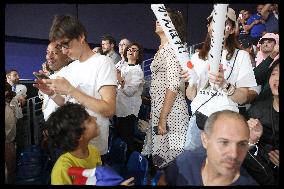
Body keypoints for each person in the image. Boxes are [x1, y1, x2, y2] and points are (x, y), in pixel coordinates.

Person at [34, 15, 116, 156]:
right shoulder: (72, 67)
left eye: (66, 44)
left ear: (81, 37)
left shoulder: (103, 63)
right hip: (71, 144)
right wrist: (52, 94)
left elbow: (109, 109)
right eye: (61, 46)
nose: (64, 51)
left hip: (91, 148)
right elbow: (66, 102)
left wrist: (71, 90)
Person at [182, 7, 257, 151]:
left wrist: (224, 84)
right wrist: (191, 81)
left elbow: (242, 98)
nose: (218, 26)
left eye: (225, 23)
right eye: (214, 22)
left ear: (232, 29)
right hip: (197, 121)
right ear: (208, 26)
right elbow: (191, 96)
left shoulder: (241, 56)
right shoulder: (197, 57)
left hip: (225, 123)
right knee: (191, 166)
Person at [141, 8, 189, 169]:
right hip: (162, 110)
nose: (157, 20)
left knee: (175, 158)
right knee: (162, 160)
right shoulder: (162, 48)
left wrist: (162, 118)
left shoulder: (172, 48)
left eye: (163, 18)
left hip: (172, 113)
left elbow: (174, 84)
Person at [158, 110, 258, 186]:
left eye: (242, 144)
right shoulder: (184, 163)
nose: (234, 154)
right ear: (205, 140)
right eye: (224, 142)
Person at [46, 103, 134, 185]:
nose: (95, 118)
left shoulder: (93, 151)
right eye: (89, 120)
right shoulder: (62, 169)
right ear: (77, 136)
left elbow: (97, 181)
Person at [243, 59, 279, 185]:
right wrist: (251, 141)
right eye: (274, 74)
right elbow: (243, 150)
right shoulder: (257, 110)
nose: (277, 79)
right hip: (258, 173)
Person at [115, 42, 144, 158]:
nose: (130, 51)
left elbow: (129, 91)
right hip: (118, 109)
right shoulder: (123, 67)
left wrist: (120, 79)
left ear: (138, 55)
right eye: (129, 49)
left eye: (134, 50)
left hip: (128, 111)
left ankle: (132, 165)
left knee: (126, 140)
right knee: (119, 138)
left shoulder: (138, 71)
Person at [5, 81, 17, 184]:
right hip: (8, 143)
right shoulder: (8, 109)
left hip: (9, 142)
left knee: (10, 169)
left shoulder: (8, 108)